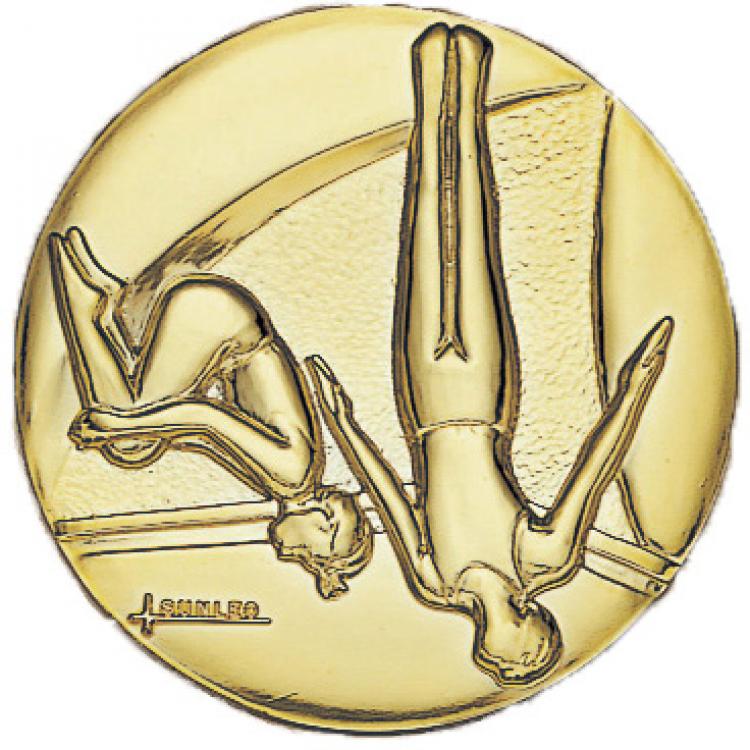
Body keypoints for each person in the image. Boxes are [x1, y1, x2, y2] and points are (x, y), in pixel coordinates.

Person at [305, 23, 672, 685]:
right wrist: (636, 385)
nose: (506, 657)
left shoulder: (433, 584)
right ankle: (467, 80)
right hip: (482, 402)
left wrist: (342, 420)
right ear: (536, 636)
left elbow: (386, 492)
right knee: (471, 235)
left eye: (503, 665)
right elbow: (596, 465)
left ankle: (431, 87)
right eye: (523, 659)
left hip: (422, 408)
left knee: (423, 233)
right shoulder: (545, 563)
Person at [49, 226, 372, 599]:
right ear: (325, 521)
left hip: (222, 323)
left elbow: (199, 437)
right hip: (217, 318)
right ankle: (87, 307)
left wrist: (137, 428)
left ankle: (103, 316)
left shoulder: (286, 480)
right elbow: (206, 417)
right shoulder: (292, 474)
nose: (291, 556)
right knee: (129, 440)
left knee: (136, 445)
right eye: (311, 555)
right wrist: (123, 424)